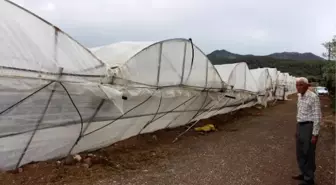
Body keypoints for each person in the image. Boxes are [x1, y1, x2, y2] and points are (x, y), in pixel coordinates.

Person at [292, 77, 322, 185]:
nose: (298, 87)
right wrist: (297, 129)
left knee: (308, 152)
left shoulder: (313, 97)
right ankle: (303, 173)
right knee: (299, 153)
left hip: (309, 127)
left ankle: (309, 179)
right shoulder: (300, 96)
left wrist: (315, 134)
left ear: (307, 85)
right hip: (300, 126)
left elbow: (317, 117)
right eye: (297, 85)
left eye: (300, 85)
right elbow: (299, 114)